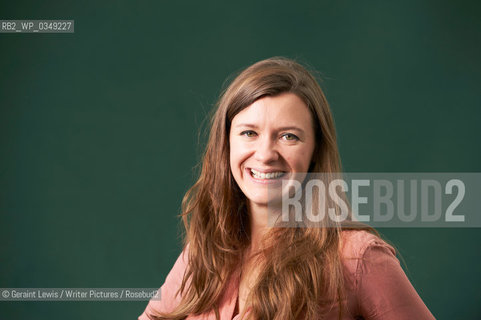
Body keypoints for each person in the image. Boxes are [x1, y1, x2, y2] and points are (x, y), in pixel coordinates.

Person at [138, 57, 435, 319]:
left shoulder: (357, 257)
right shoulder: (203, 253)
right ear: (226, 144)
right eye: (249, 133)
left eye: (288, 137)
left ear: (315, 151)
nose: (266, 154)